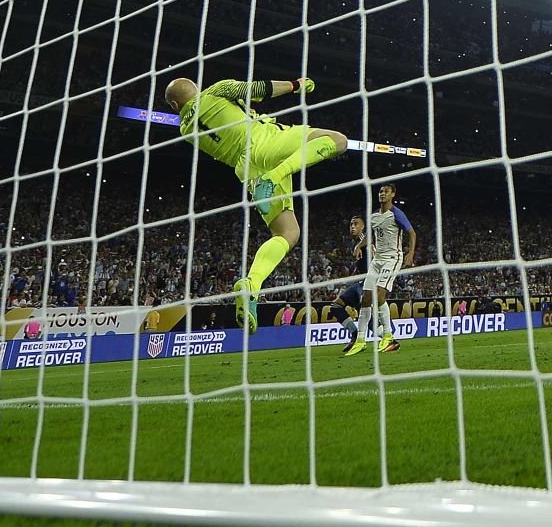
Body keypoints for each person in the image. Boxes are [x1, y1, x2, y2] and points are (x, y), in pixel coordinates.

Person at [164, 76, 347, 332]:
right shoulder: (215, 91)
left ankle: (251, 285)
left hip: (246, 169)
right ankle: (275, 176)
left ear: (175, 105)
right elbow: (259, 89)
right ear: (196, 87)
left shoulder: (185, 131)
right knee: (338, 141)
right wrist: (295, 85)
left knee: (287, 233)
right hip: (264, 141)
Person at [345, 183, 416, 356]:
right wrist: (358, 247)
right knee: (366, 299)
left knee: (379, 295)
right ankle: (360, 340)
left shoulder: (397, 214)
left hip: (392, 258)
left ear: (393, 194)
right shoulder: (374, 216)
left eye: (386, 191)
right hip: (377, 260)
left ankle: (388, 337)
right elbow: (371, 237)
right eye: (380, 191)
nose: (382, 194)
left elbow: (412, 233)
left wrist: (410, 253)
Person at [330, 215, 369, 354]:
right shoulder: (358, 243)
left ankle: (388, 338)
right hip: (360, 283)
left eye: (356, 224)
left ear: (363, 226)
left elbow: (372, 237)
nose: (352, 226)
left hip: (369, 282)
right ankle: (354, 333)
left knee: (366, 315)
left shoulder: (365, 240)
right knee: (335, 306)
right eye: (351, 224)